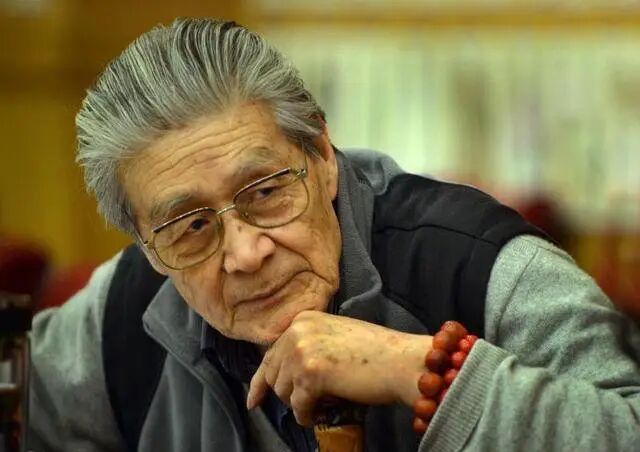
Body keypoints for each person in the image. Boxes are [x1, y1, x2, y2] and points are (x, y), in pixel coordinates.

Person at [28, 18, 640, 452]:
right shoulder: (122, 313)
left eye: (265, 192)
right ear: (147, 245)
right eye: (191, 226)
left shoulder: (483, 267)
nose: (245, 253)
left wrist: (414, 368)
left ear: (322, 156)